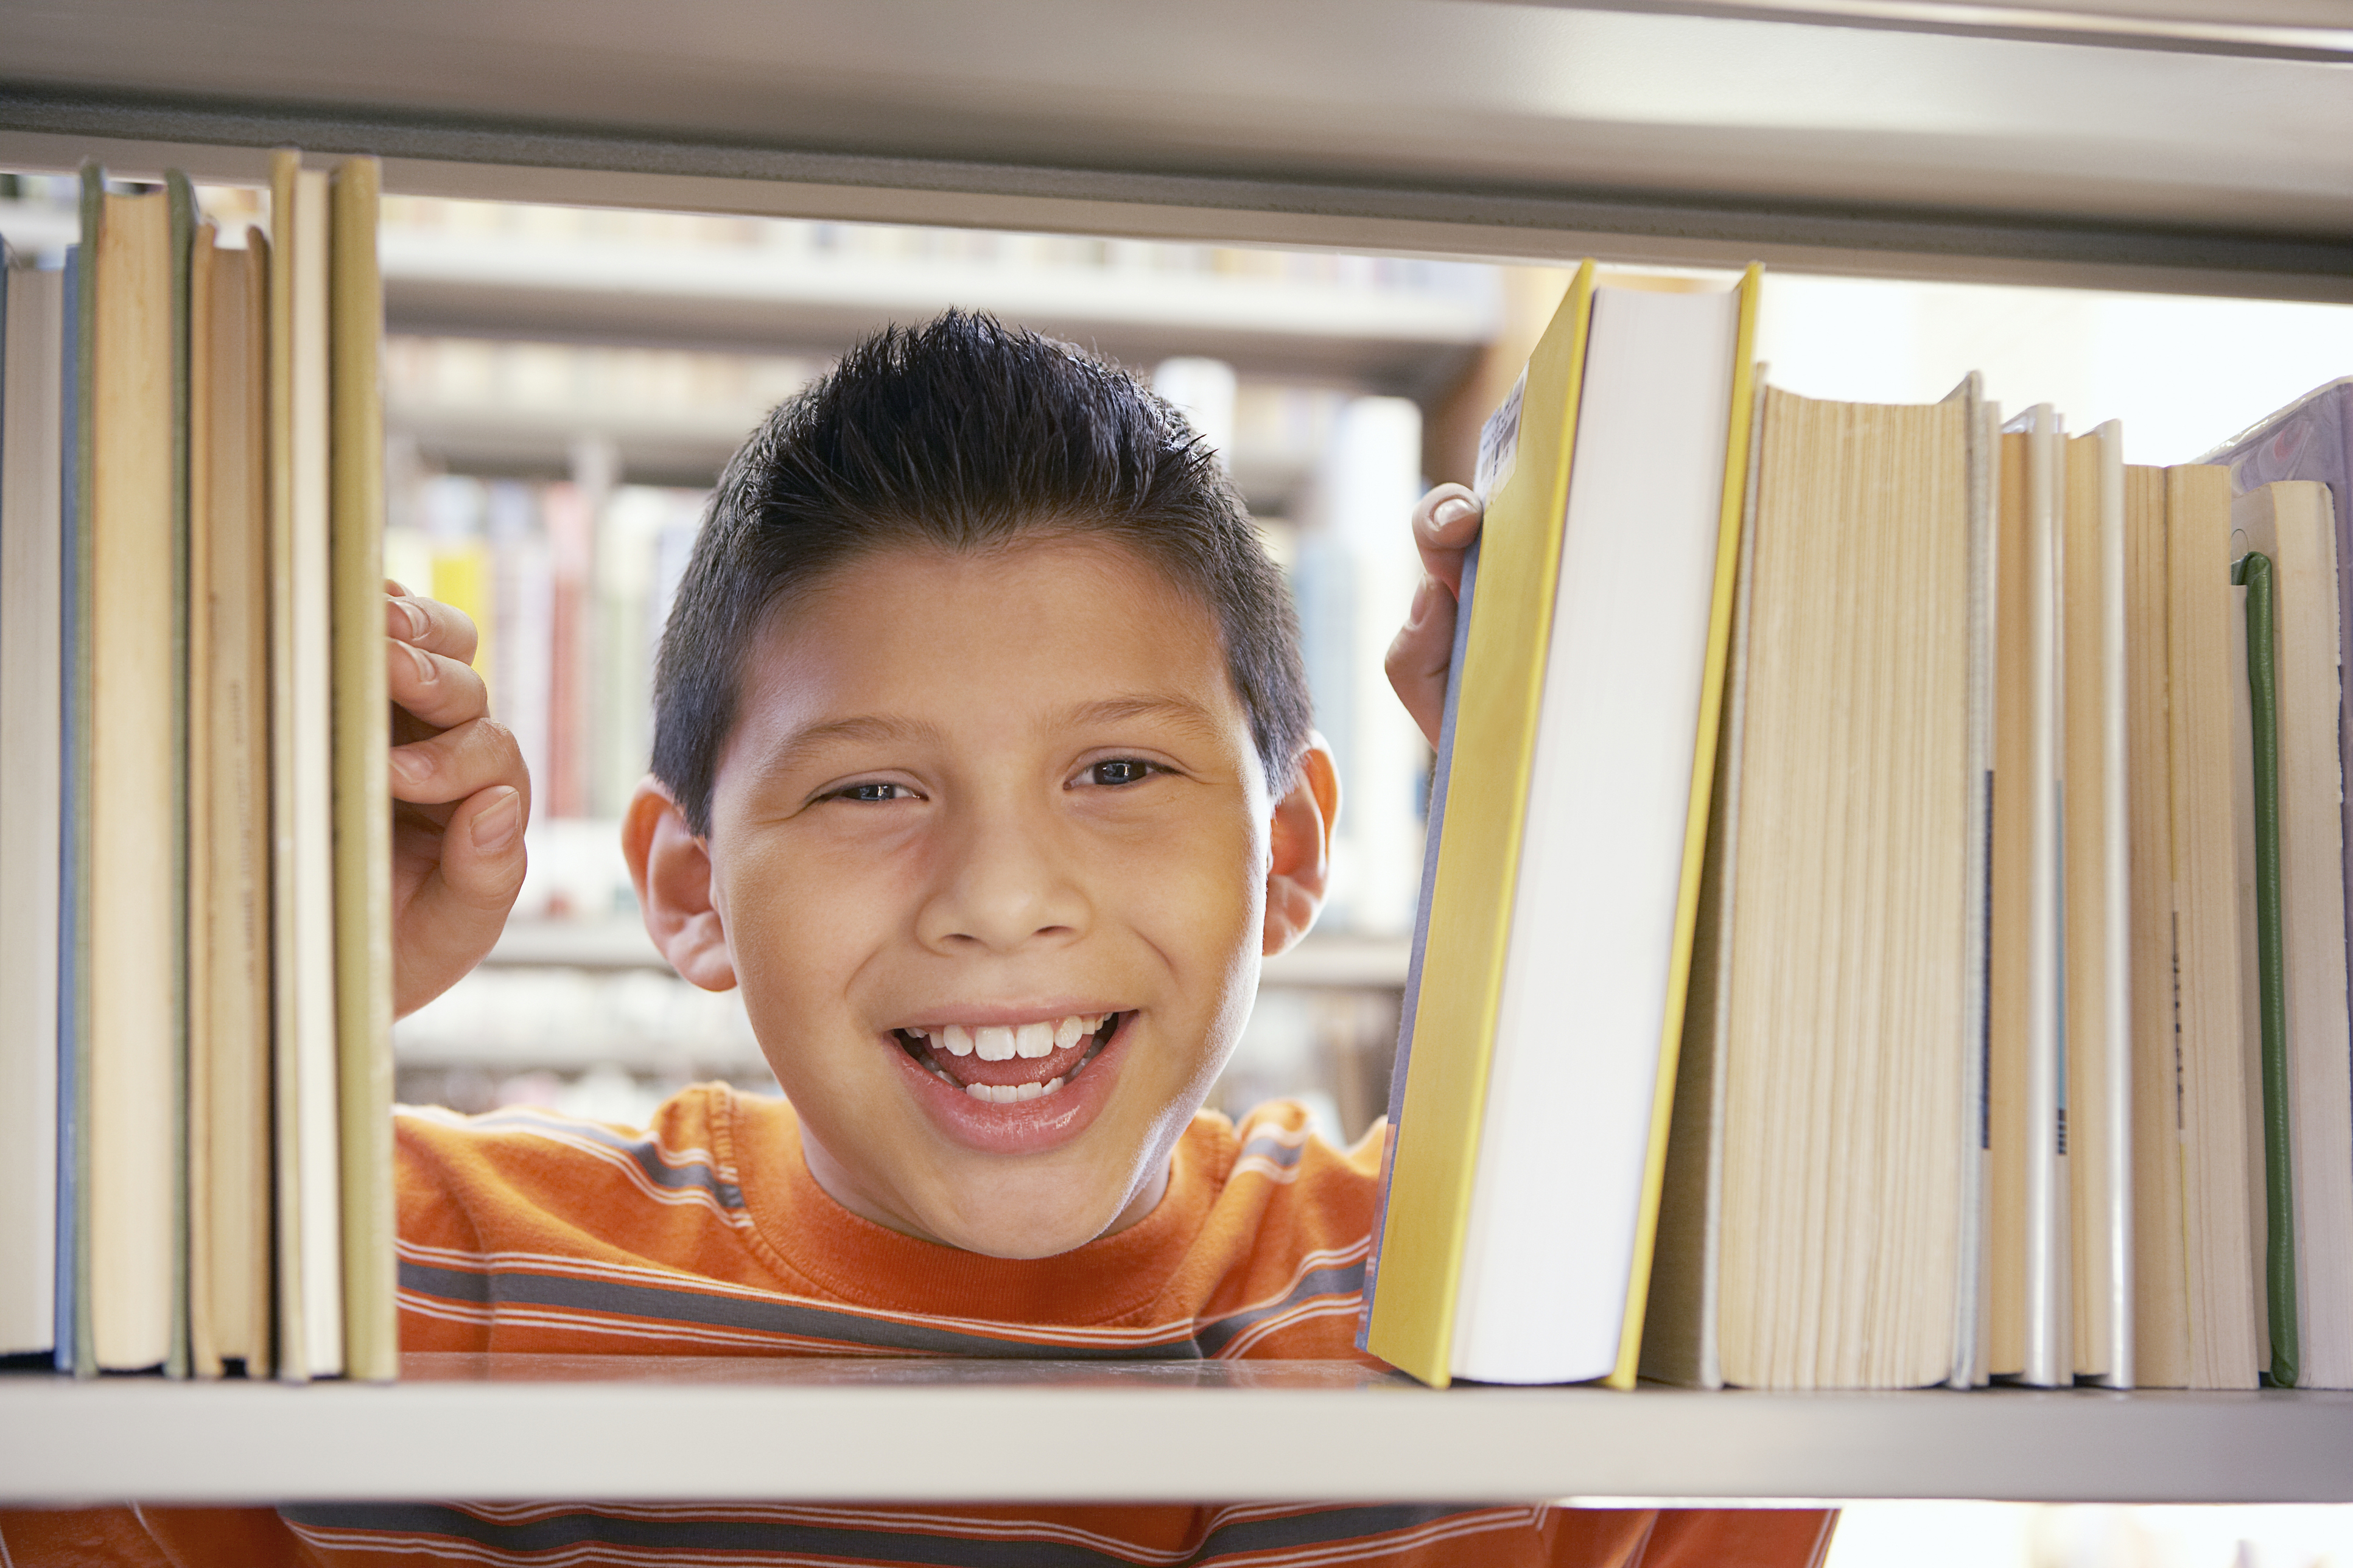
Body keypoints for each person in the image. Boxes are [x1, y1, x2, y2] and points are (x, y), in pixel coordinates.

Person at [1, 312, 1834, 1567]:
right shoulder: (380, 1260)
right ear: (687, 887)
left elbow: (1835, 1255)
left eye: (1118, 768)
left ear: (1287, 857)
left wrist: (1609, 787)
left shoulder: (1472, 1310)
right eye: (871, 791)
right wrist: (246, 1013)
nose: (999, 894)